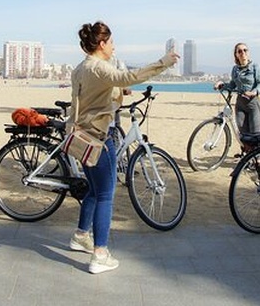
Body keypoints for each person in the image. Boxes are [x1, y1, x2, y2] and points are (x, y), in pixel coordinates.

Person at [68, 21, 179, 274]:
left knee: (94, 192)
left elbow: (83, 100)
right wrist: (164, 62)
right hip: (99, 138)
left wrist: (119, 92)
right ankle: (100, 254)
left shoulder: (80, 68)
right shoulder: (100, 67)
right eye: (112, 42)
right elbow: (127, 76)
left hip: (83, 138)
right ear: (103, 44)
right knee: (106, 194)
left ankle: (80, 236)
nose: (114, 47)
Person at [214, 43, 260, 141]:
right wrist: (221, 84)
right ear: (236, 54)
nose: (243, 53)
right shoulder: (235, 69)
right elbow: (232, 85)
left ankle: (258, 155)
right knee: (243, 133)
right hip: (240, 104)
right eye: (239, 51)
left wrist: (254, 92)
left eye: (245, 50)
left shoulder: (255, 66)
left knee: (255, 134)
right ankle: (247, 154)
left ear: (248, 52)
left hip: (253, 103)